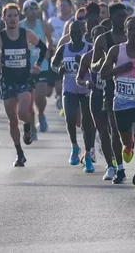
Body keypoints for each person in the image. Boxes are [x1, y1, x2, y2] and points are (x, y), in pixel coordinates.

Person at [0, 3, 48, 166]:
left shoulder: (27, 34)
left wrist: (38, 65)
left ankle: (28, 126)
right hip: (7, 82)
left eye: (15, 16)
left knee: (22, 113)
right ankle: (19, 153)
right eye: (9, 16)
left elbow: (43, 48)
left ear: (19, 17)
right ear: (4, 18)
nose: (12, 19)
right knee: (12, 120)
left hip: (24, 80)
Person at [100, 16, 135, 193]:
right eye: (131, 29)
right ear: (125, 31)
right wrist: (118, 70)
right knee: (127, 141)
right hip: (121, 105)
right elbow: (104, 74)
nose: (134, 33)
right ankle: (127, 147)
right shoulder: (116, 51)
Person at [91, 3, 128, 183]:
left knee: (125, 132)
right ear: (112, 18)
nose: (124, 19)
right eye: (120, 16)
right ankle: (115, 167)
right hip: (110, 89)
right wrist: (105, 62)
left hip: (133, 90)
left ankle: (125, 150)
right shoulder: (103, 39)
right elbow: (93, 65)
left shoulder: (132, 37)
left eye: (125, 15)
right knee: (111, 130)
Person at [51, 21, 95, 172]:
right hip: (69, 87)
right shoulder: (64, 49)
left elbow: (97, 66)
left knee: (87, 124)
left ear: (83, 32)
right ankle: (75, 146)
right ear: (69, 33)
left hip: (85, 88)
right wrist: (59, 69)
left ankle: (88, 155)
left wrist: (84, 64)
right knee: (70, 117)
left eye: (78, 32)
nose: (75, 35)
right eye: (72, 32)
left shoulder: (89, 48)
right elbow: (53, 64)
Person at [77, 24, 117, 180]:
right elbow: (79, 78)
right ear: (92, 39)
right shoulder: (87, 57)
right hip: (96, 96)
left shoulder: (115, 54)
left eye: (104, 36)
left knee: (115, 131)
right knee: (102, 131)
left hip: (112, 95)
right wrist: (86, 83)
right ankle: (110, 166)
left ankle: (116, 156)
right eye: (97, 37)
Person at [20, 0, 54, 135]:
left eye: (35, 9)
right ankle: (32, 128)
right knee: (28, 101)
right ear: (24, 11)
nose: (33, 11)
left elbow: (50, 41)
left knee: (40, 97)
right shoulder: (20, 26)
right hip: (25, 67)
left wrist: (48, 52)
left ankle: (41, 114)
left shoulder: (43, 25)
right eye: (30, 9)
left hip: (41, 66)